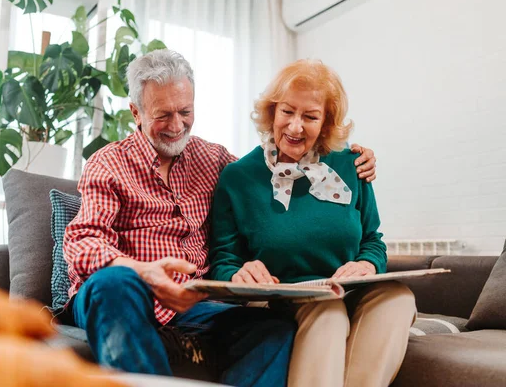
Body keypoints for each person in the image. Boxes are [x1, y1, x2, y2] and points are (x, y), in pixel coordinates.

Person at [63, 50, 377, 386]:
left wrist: (350, 159)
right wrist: (145, 272)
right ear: (136, 113)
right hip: (127, 294)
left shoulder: (213, 159)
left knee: (273, 331)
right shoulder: (108, 163)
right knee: (115, 283)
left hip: (195, 305)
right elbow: (82, 242)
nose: (176, 125)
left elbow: (270, 174)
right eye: (163, 115)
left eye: (185, 111)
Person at [208, 59, 416, 387]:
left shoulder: (352, 165)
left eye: (310, 116)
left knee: (398, 297)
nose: (295, 127)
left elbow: (372, 239)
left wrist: (367, 263)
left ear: (326, 122)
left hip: (348, 290)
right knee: (328, 313)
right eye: (287, 112)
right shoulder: (238, 178)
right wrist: (238, 272)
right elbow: (223, 259)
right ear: (271, 112)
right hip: (286, 299)